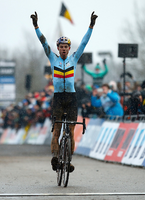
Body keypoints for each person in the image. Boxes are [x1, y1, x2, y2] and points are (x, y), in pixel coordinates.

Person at [31, 11, 98, 172]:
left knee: (71, 131)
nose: (63, 49)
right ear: (58, 48)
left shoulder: (74, 58)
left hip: (72, 98)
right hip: (59, 99)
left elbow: (83, 43)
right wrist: (36, 26)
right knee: (57, 131)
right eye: (60, 47)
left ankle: (68, 160)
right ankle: (55, 158)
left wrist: (91, 26)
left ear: (69, 48)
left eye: (65, 47)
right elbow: (43, 42)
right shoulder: (53, 58)